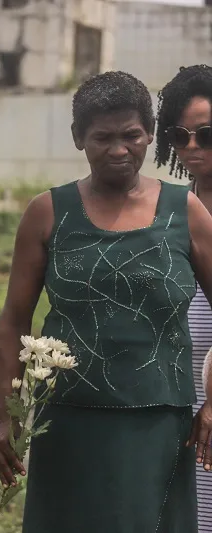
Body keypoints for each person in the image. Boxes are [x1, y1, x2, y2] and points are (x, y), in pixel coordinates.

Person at [0, 71, 212, 533]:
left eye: (131, 135)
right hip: (68, 420)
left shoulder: (184, 211)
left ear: (150, 135)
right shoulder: (48, 213)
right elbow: (14, 320)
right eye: (102, 137)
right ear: (78, 138)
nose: (119, 149)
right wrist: (8, 415)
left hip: (160, 424)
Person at [155, 64, 212, 532]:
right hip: (176, 404)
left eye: (206, 134)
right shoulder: (168, 212)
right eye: (180, 135)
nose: (192, 147)